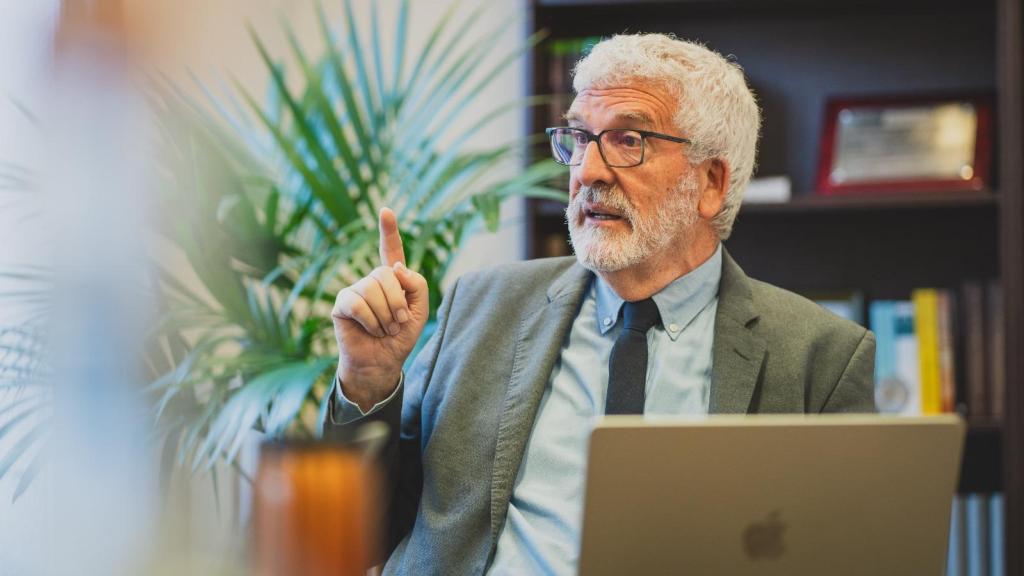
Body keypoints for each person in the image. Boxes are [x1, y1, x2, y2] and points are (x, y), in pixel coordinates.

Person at [326, 33, 875, 575]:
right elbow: (356, 534)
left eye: (628, 140)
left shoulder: (819, 357)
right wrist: (367, 380)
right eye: (579, 138)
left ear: (711, 182)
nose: (586, 171)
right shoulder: (482, 306)